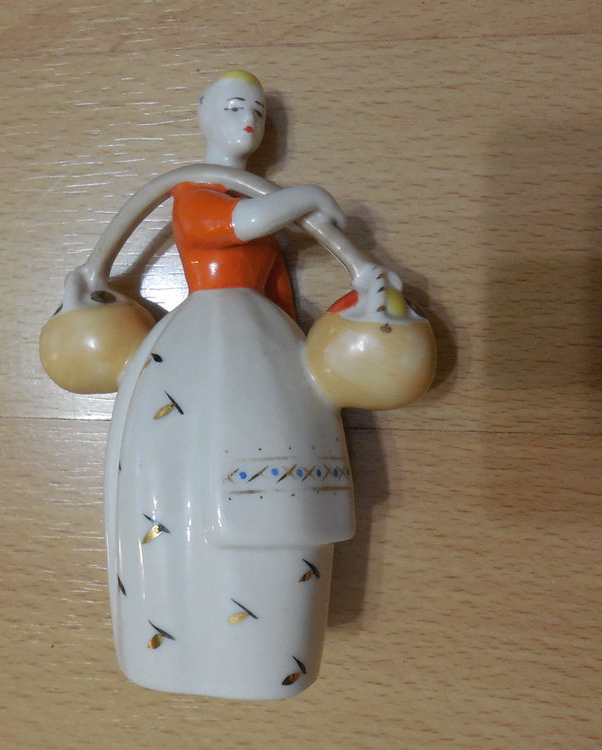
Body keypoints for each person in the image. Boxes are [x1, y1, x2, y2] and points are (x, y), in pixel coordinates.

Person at [39, 70, 435, 699]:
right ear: (203, 114)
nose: (247, 120)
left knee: (281, 510)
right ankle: (173, 643)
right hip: (202, 341)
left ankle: (267, 657)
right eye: (232, 107)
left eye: (256, 111)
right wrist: (305, 197)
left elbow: (278, 284)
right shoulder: (194, 194)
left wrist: (358, 295)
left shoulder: (242, 212)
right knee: (180, 502)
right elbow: (242, 221)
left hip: (262, 341)